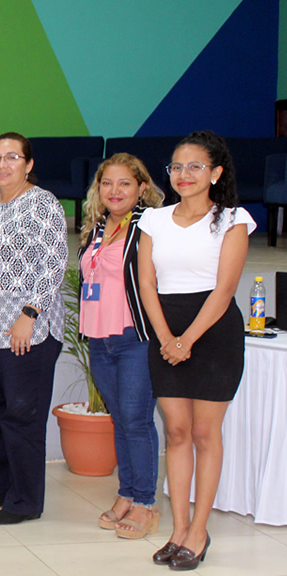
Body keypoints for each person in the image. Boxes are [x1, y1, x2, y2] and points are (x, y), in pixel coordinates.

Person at [137, 131, 253, 570]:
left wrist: (188, 340)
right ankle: (178, 529)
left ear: (216, 172)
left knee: (205, 434)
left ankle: (199, 532)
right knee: (177, 433)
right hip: (165, 329)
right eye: (176, 167)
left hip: (214, 332)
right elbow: (147, 284)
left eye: (194, 167)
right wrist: (167, 337)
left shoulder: (233, 219)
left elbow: (224, 291)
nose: (183, 175)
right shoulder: (153, 220)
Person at [0, 132, 67, 525]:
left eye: (12, 157)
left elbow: (54, 263)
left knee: (23, 415)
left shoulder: (43, 204)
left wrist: (30, 313)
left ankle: (25, 501)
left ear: (29, 164)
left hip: (27, 328)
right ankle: (1, 486)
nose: (2, 165)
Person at [76, 153, 164, 539]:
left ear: (142, 188)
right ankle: (127, 492)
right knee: (121, 421)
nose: (115, 191)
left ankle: (145, 502)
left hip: (134, 339)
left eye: (124, 183)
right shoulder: (96, 227)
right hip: (99, 339)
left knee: (136, 420)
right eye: (107, 183)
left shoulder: (150, 227)